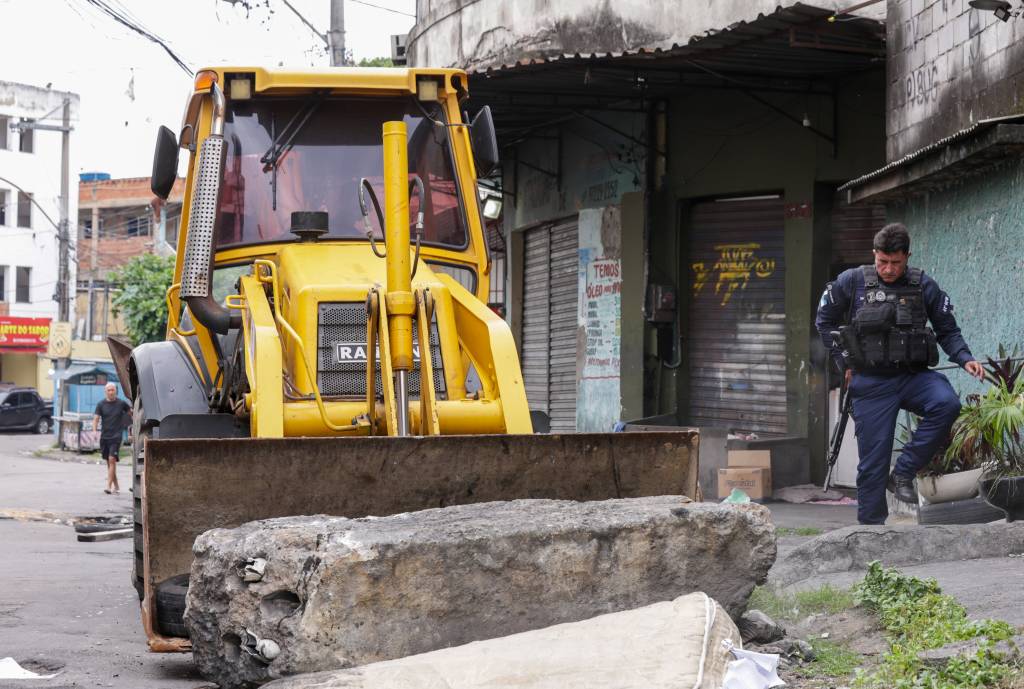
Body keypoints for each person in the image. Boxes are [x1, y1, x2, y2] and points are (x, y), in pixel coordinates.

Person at [815, 223, 985, 525]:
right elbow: (824, 321)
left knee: (946, 403)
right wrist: (845, 363)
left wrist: (964, 358)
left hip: (912, 377)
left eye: (895, 262)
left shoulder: (923, 285)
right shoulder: (852, 281)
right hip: (871, 381)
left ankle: (904, 471)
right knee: (872, 465)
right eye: (882, 261)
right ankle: (871, 533)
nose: (889, 269)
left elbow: (948, 330)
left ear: (907, 256)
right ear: (874, 255)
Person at [93, 382, 131, 495]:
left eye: (112, 390)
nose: (111, 392)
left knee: (111, 459)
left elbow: (132, 413)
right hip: (104, 437)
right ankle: (117, 486)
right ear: (105, 392)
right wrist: (94, 431)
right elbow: (96, 419)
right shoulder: (101, 404)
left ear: (116, 391)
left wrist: (135, 427)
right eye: (108, 390)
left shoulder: (121, 403)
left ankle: (108, 486)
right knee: (109, 463)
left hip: (116, 436)